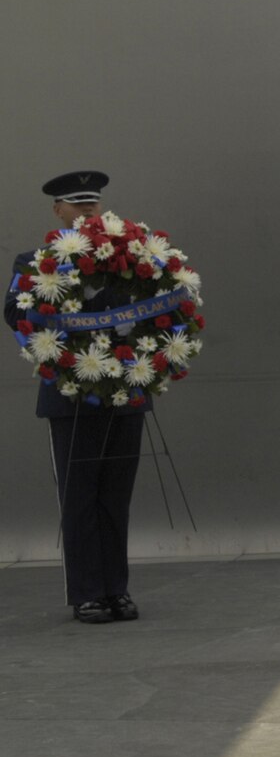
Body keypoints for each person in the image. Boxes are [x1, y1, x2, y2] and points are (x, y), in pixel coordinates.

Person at [18, 171, 147, 624]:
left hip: (125, 392)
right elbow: (21, 321)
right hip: (70, 395)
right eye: (77, 203)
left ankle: (117, 590)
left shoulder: (131, 259)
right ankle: (87, 593)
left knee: (116, 496)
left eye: (93, 203)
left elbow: (156, 309)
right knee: (79, 498)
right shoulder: (33, 265)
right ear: (58, 211)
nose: (88, 210)